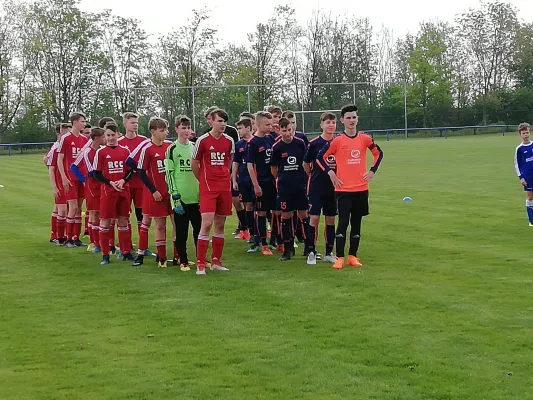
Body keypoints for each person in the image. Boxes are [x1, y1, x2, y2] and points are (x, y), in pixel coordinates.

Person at [317, 104, 383, 269]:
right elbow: (320, 157)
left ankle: (352, 256)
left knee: (357, 223)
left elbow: (378, 153)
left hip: (361, 189)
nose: (352, 120)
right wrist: (331, 173)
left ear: (357, 119)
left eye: (354, 117)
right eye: (348, 118)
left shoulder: (365, 139)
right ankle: (339, 257)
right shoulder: (338, 141)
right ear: (342, 120)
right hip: (343, 190)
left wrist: (372, 171)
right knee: (343, 222)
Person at [192, 108, 234, 275]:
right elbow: (194, 164)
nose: (223, 124)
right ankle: (201, 263)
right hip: (208, 188)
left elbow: (229, 161)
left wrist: (225, 175)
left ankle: (216, 261)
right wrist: (203, 180)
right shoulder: (202, 141)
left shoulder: (230, 140)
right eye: (219, 121)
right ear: (211, 120)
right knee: (207, 223)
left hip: (224, 186)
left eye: (224, 121)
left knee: (220, 224)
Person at [92, 123, 135, 265]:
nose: (110, 138)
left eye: (113, 135)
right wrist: (110, 182)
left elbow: (131, 171)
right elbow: (96, 173)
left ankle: (126, 252)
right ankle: (105, 255)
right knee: (105, 221)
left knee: (123, 220)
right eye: (108, 135)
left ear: (118, 134)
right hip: (108, 191)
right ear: (104, 136)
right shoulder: (101, 152)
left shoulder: (125, 151)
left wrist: (123, 180)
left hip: (123, 190)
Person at [165, 115, 201, 272]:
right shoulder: (172, 149)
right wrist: (174, 194)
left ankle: (200, 258)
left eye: (188, 127)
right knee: (181, 231)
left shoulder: (195, 147)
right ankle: (183, 260)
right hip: (180, 196)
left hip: (197, 196)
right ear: (177, 129)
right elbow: (169, 173)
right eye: (183, 127)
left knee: (199, 230)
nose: (186, 130)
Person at [135, 118, 172, 268]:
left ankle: (177, 256)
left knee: (176, 223)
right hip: (155, 194)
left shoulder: (169, 146)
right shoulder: (147, 149)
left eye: (166, 130)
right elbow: (141, 172)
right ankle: (159, 256)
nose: (165, 133)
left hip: (170, 192)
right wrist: (153, 190)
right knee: (158, 224)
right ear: (152, 132)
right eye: (162, 130)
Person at [270, 117, 309, 261]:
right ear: (279, 130)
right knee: (286, 216)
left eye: (290, 130)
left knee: (303, 214)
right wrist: (282, 179)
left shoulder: (300, 144)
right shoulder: (276, 147)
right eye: (284, 130)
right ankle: (288, 248)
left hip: (300, 185)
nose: (287, 133)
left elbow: (306, 163)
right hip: (285, 187)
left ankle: (309, 247)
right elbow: (274, 169)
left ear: (293, 129)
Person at [303, 112, 338, 265]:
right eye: (328, 122)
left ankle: (329, 252)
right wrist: (313, 175)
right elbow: (306, 164)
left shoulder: (339, 142)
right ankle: (311, 251)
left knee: (330, 219)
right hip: (316, 187)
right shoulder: (314, 143)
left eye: (333, 122)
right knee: (314, 218)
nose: (331, 125)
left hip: (334, 188)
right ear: (321, 125)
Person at [70, 127, 107, 253]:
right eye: (103, 137)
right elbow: (74, 167)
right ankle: (94, 242)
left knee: (103, 214)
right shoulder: (87, 152)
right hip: (92, 186)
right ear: (97, 138)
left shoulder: (102, 150)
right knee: (94, 213)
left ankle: (104, 242)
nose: (105, 139)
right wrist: (84, 179)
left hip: (102, 185)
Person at [56, 112, 89, 247]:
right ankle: (68, 238)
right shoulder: (66, 138)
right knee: (73, 207)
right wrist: (63, 177)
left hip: (81, 177)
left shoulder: (84, 140)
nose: (84, 123)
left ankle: (76, 238)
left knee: (79, 207)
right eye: (82, 121)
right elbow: (60, 159)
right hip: (70, 177)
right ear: (75, 122)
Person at [246, 111, 277, 255]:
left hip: (273, 182)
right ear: (257, 125)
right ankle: (263, 243)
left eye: (270, 124)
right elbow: (250, 165)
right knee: (261, 212)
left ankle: (275, 241)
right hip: (261, 183)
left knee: (276, 211)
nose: (270, 127)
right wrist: (256, 185)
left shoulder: (271, 138)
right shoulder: (252, 143)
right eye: (267, 124)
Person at [117, 112, 148, 235]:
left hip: (140, 183)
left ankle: (142, 245)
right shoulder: (119, 142)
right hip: (126, 183)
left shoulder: (144, 141)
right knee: (124, 214)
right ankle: (127, 246)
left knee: (142, 214)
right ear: (125, 123)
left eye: (137, 122)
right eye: (132, 122)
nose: (135, 125)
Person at [45, 123, 71, 246]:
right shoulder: (56, 148)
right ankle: (60, 236)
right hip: (60, 182)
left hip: (67, 181)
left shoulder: (66, 147)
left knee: (60, 209)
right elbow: (49, 164)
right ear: (59, 134)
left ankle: (56, 234)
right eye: (65, 134)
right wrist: (54, 186)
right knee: (62, 209)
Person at [233, 118, 254, 242]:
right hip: (244, 180)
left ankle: (264, 233)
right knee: (247, 205)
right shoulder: (239, 145)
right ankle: (251, 232)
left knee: (260, 208)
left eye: (240, 128)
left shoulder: (256, 141)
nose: (239, 131)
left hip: (256, 180)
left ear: (248, 127)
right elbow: (235, 163)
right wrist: (234, 180)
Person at [514, 122, 533, 225]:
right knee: (530, 197)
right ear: (520, 134)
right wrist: (521, 177)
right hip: (528, 177)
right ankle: (531, 220)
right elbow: (517, 164)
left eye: (527, 132)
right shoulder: (519, 149)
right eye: (523, 133)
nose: (526, 135)